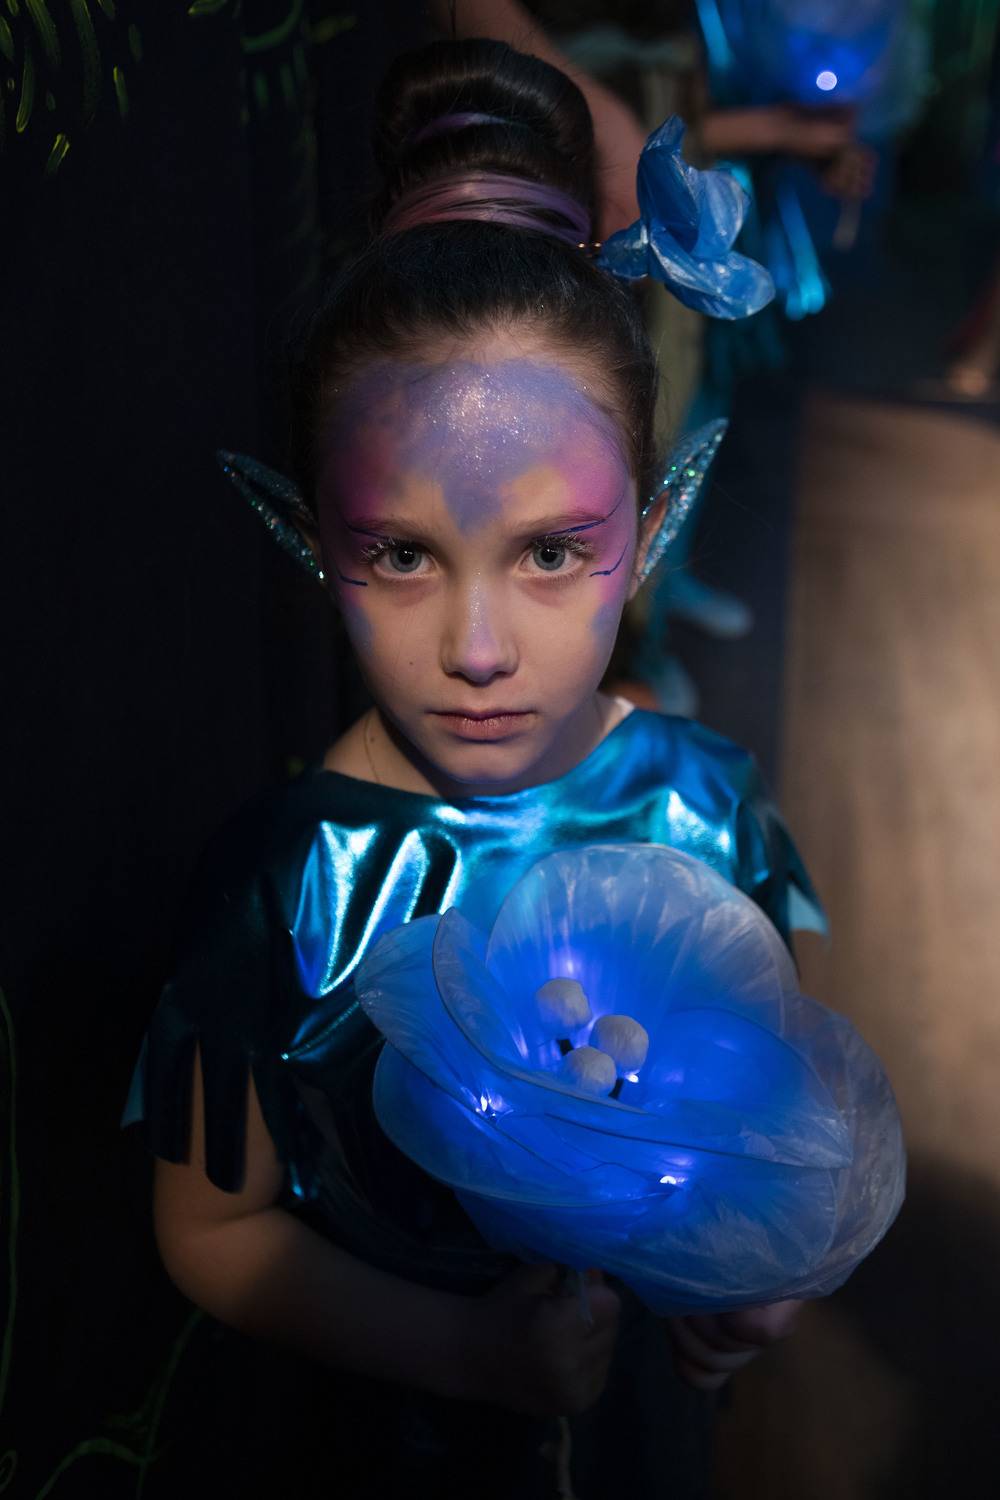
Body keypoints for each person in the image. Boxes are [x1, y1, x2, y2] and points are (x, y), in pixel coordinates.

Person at [125, 37, 820, 1499]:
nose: (480, 649)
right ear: (312, 535)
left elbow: (764, 1115)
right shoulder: (287, 886)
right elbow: (209, 1230)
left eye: (553, 550)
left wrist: (749, 1280)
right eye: (400, 554)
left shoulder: (704, 812)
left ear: (654, 523)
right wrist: (469, 1357)